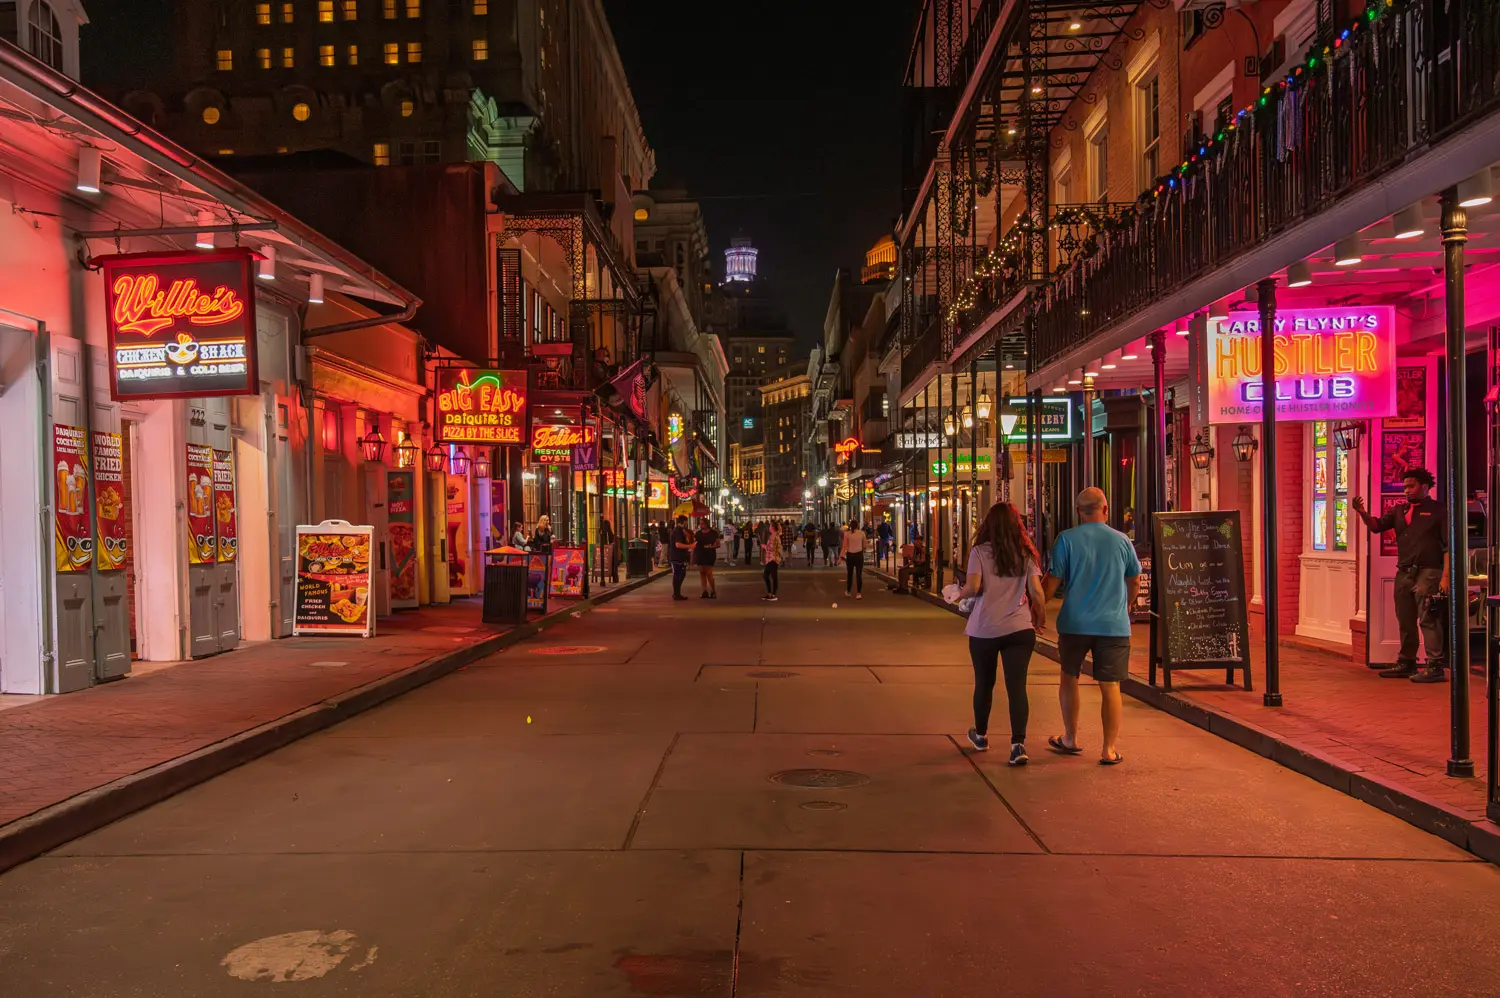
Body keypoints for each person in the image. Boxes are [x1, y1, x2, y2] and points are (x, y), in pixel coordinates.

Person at [1044, 487, 1139, 766]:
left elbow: (1052, 582)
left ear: (1078, 512)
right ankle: (1108, 749)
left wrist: (1037, 609)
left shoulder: (1066, 539)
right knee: (1110, 686)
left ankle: (1070, 738)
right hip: (1113, 625)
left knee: (1069, 677)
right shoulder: (1122, 541)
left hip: (1074, 623)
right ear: (1105, 509)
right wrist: (1126, 605)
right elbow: (1134, 580)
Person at [958, 502, 1045, 765]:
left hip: (985, 629)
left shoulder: (979, 552)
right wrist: (1039, 617)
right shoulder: (1025, 553)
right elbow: (1037, 592)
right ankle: (1018, 745)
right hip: (1019, 629)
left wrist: (956, 594)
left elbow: (973, 586)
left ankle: (981, 736)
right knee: (1017, 687)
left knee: (984, 684)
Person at [1352, 467, 1450, 682]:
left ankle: (1435, 666)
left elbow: (1448, 547)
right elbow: (1377, 526)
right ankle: (1407, 662)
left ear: (1424, 486)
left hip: (1429, 571)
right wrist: (1362, 512)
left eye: (1411, 486)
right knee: (1405, 619)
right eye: (1405, 487)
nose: (1406, 490)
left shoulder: (1439, 510)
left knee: (1428, 618)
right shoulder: (1399, 510)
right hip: (1404, 572)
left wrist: (1445, 577)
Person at [694, 516, 721, 598]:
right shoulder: (698, 533)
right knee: (702, 573)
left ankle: (713, 590)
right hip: (700, 554)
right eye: (700, 524)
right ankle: (704, 590)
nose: (701, 525)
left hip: (709, 554)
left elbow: (718, 544)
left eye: (702, 524)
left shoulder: (713, 533)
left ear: (707, 524)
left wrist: (711, 546)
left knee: (709, 573)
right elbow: (695, 544)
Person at [668, 514, 694, 601]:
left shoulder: (681, 531)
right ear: (684, 522)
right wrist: (689, 546)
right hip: (677, 557)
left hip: (679, 556)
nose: (687, 524)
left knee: (681, 574)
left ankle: (677, 593)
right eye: (686, 522)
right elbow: (678, 544)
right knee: (678, 575)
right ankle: (676, 593)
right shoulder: (677, 531)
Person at [840, 519, 867, 599]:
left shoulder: (847, 534)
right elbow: (864, 546)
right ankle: (858, 593)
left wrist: (841, 556)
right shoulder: (862, 533)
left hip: (850, 555)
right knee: (859, 574)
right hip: (859, 555)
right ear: (857, 525)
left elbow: (844, 546)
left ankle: (848, 591)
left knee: (850, 574)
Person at [761, 522, 784, 601]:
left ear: (773, 527)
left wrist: (764, 546)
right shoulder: (775, 535)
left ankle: (772, 594)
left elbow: (771, 548)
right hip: (772, 559)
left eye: (770, 526)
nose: (769, 527)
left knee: (772, 576)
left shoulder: (773, 536)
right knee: (767, 576)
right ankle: (770, 593)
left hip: (772, 559)